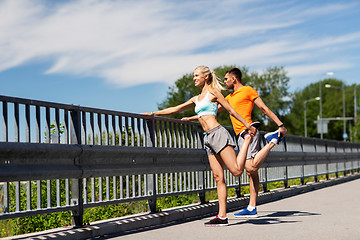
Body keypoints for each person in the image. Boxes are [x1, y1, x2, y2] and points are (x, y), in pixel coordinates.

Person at [143, 65, 266, 226]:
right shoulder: (196, 98)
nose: (194, 78)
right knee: (218, 177)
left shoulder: (214, 93)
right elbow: (176, 109)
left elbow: (231, 110)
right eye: (193, 76)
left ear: (206, 77)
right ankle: (222, 216)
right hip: (207, 138)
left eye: (196, 76)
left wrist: (247, 126)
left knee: (236, 171)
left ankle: (247, 140)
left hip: (218, 133)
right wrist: (153, 114)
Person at [222, 67, 287, 218]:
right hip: (240, 135)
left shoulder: (248, 90)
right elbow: (214, 110)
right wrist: (192, 117)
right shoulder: (228, 97)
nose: (225, 82)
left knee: (250, 167)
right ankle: (252, 207)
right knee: (252, 172)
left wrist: (280, 125)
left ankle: (272, 142)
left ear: (234, 79)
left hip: (248, 132)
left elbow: (263, 108)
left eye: (226, 79)